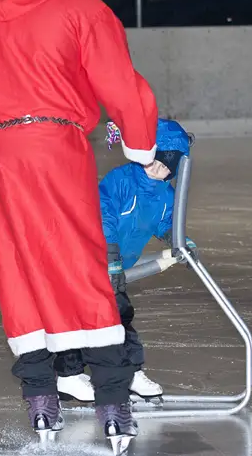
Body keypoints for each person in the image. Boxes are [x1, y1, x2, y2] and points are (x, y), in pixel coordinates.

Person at [0, 0, 158, 452]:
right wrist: (141, 150)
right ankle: (112, 404)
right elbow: (122, 85)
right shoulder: (81, 8)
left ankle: (41, 400)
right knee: (77, 261)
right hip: (53, 146)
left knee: (16, 264)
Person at [54, 119, 199, 404]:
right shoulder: (120, 180)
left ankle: (128, 373)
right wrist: (109, 256)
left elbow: (166, 223)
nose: (156, 168)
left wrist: (178, 240)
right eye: (153, 160)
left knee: (114, 317)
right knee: (86, 317)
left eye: (166, 165)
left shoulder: (166, 196)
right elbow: (101, 215)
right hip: (86, 259)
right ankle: (70, 375)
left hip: (117, 267)